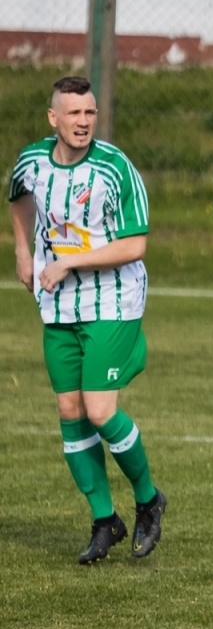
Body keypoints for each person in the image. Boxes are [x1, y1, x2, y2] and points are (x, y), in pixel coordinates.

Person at [8, 75, 166, 564]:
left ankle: (148, 498)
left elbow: (135, 244)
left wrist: (66, 262)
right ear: (53, 118)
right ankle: (105, 520)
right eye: (73, 113)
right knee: (71, 415)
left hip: (114, 301)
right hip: (58, 305)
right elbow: (18, 197)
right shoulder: (32, 161)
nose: (82, 122)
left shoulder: (115, 168)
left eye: (90, 113)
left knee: (99, 410)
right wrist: (22, 251)